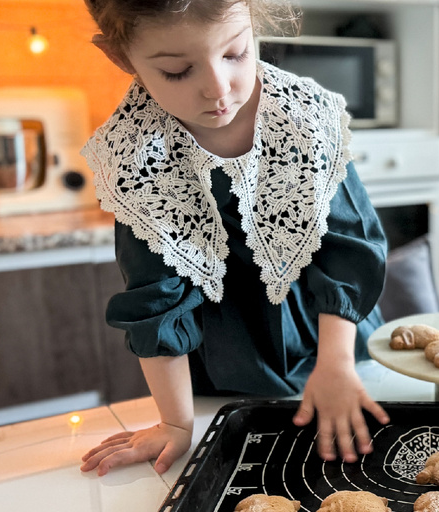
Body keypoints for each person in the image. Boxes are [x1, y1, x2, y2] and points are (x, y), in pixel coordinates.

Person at [78, 0, 391, 476]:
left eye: (236, 53)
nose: (218, 89)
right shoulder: (136, 154)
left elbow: (349, 249)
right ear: (123, 60)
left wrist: (337, 365)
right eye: (178, 71)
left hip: (333, 342)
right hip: (225, 365)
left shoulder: (303, 117)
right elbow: (154, 298)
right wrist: (177, 423)